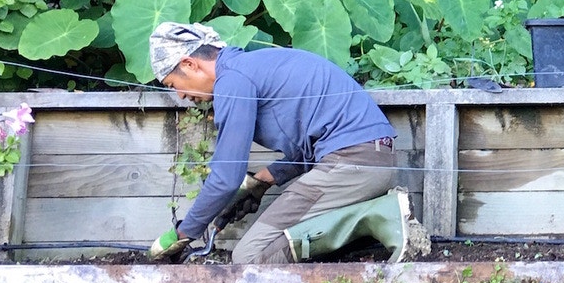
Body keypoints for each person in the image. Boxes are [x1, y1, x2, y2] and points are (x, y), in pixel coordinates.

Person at [148, 22, 400, 264]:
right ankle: (376, 218)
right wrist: (262, 182)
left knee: (249, 257)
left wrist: (183, 234)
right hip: (369, 158)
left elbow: (225, 177)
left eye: (173, 84)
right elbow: (311, 145)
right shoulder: (251, 67)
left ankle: (380, 217)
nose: (180, 95)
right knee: (291, 244)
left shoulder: (233, 80)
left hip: (351, 162)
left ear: (189, 64)